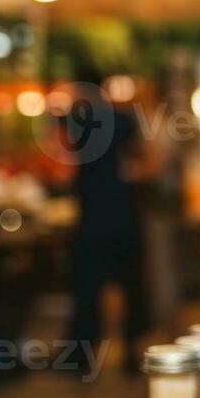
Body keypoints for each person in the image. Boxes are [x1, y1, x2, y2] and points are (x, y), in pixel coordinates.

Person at [63, 63, 150, 372]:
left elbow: (66, 158)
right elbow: (140, 157)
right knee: (131, 285)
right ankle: (131, 351)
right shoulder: (123, 119)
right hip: (124, 212)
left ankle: (81, 357)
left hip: (92, 216)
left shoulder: (75, 119)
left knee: (88, 287)